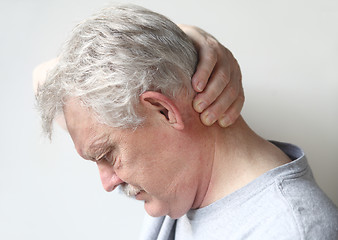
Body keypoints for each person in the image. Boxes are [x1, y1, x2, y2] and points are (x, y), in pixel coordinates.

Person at [34, 4, 338, 240]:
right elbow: (43, 78)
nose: (107, 182)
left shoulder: (290, 230)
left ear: (163, 111)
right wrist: (183, 39)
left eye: (107, 155)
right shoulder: (177, 182)